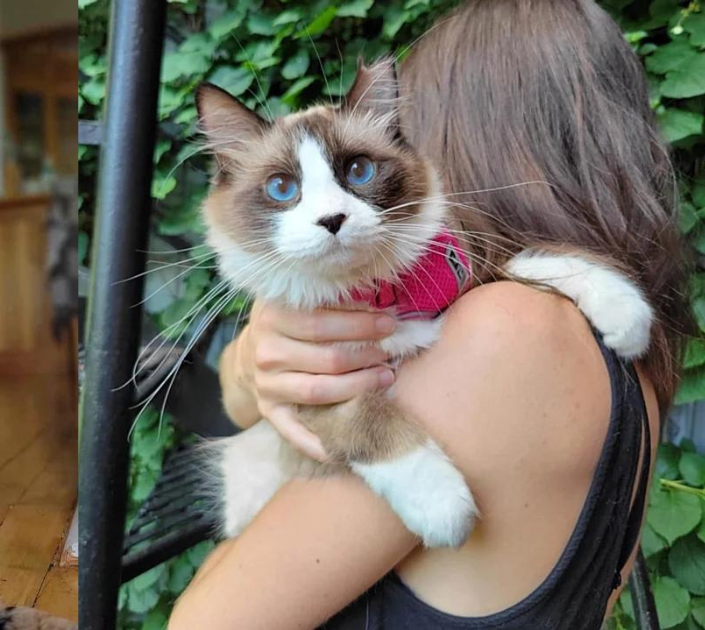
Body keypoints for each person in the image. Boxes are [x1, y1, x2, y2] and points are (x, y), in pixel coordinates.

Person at [168, 0, 688, 628]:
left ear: (458, 137)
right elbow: (248, 394)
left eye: (372, 159)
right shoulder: (622, 348)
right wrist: (252, 366)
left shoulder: (507, 333)